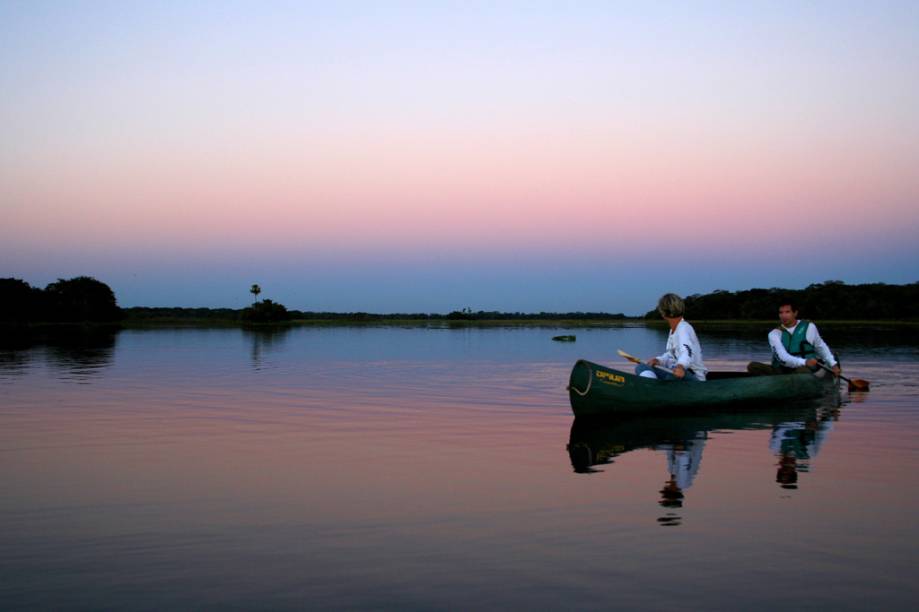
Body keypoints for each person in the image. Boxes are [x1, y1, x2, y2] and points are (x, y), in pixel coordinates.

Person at [747, 300, 841, 376]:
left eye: (787, 312)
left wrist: (833, 364)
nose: (783, 316)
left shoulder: (809, 327)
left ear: (795, 313)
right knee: (752, 366)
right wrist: (805, 361)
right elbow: (783, 358)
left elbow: (820, 347)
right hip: (783, 369)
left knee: (802, 371)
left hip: (805, 369)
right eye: (781, 313)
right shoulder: (774, 334)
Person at [635, 293, 707, 381]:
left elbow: (687, 352)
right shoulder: (673, 330)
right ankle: (653, 388)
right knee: (641, 367)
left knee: (670, 378)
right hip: (676, 371)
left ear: (663, 313)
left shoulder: (683, 328)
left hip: (692, 376)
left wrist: (681, 366)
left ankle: (655, 389)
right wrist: (658, 360)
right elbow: (671, 355)